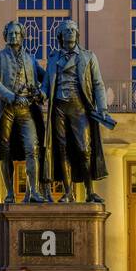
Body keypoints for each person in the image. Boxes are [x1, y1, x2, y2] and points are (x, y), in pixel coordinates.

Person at [41, 20, 115, 204]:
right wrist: (39, 94)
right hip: (58, 107)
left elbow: (98, 83)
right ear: (60, 36)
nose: (71, 33)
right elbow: (46, 85)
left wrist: (103, 108)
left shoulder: (88, 57)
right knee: (62, 149)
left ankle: (90, 191)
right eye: (66, 30)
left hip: (79, 107)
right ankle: (68, 192)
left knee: (84, 149)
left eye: (73, 30)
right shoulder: (53, 57)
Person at [0, 20, 49, 203]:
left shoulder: (31, 60)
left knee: (33, 148)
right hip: (5, 108)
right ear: (6, 36)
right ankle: (9, 193)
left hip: (26, 109)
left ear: (22, 36)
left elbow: (46, 78)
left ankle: (33, 191)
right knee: (5, 151)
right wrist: (12, 97)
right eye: (10, 34)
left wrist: (42, 92)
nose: (14, 36)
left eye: (17, 33)